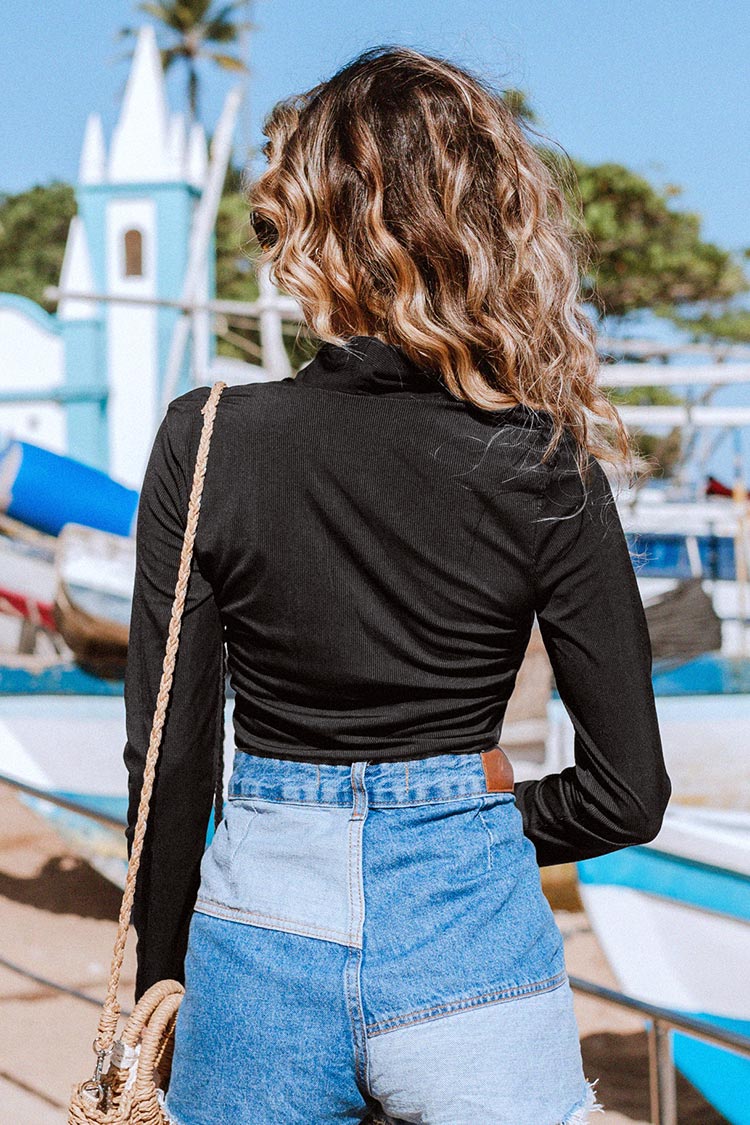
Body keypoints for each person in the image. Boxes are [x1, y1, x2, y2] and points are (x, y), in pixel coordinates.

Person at [123, 44, 671, 1125]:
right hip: (473, 937)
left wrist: (162, 977)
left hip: (258, 941)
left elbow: (170, 764)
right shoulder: (545, 462)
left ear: (314, 228)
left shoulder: (210, 437)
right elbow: (628, 792)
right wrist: (470, 806)